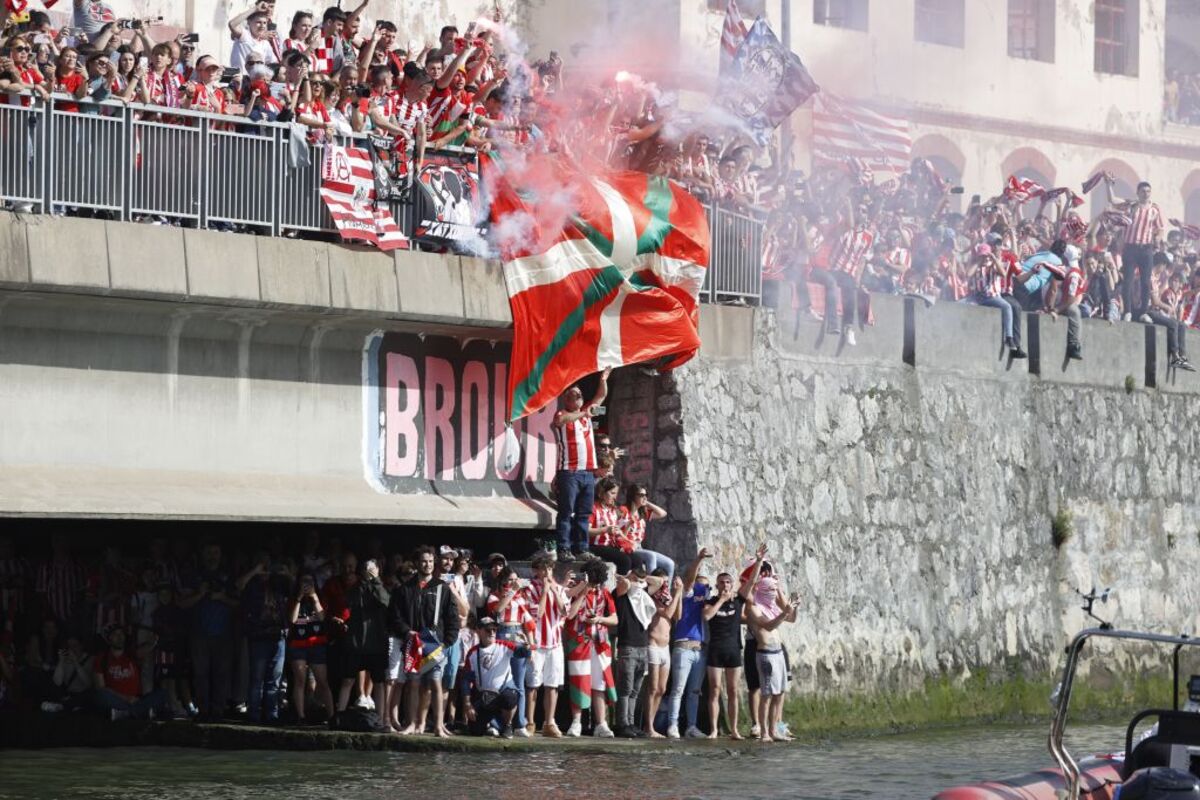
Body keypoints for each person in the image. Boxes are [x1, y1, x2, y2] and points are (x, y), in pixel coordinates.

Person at [389, 545, 460, 737]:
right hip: (413, 643)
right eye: (423, 561)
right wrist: (406, 632)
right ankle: (411, 723)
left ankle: (438, 726)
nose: (427, 565)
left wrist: (447, 642)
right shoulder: (404, 589)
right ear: (416, 563)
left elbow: (453, 618)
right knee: (413, 683)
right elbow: (395, 617)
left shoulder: (442, 588)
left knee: (436, 683)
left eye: (430, 561)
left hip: (436, 644)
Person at [552, 368, 611, 561]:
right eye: (573, 395)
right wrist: (584, 411)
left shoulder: (585, 414)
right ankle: (563, 548)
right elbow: (561, 420)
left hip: (587, 473)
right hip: (569, 471)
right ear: (567, 399)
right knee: (566, 512)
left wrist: (602, 379)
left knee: (584, 513)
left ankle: (582, 548)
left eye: (579, 395)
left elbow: (601, 395)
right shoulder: (562, 413)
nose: (577, 398)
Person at [742, 549, 799, 743]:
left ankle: (775, 729)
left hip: (778, 651)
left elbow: (790, 617)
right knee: (765, 693)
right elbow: (767, 624)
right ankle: (764, 730)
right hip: (764, 652)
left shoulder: (773, 606)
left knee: (779, 692)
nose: (774, 593)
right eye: (771, 590)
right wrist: (758, 563)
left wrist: (793, 607)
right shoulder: (752, 606)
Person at [178, 542, 236, 721]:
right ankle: (202, 711)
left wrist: (222, 597)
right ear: (203, 554)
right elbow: (181, 604)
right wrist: (201, 594)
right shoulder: (194, 575)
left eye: (216, 551)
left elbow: (239, 604)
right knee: (200, 674)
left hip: (223, 634)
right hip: (199, 634)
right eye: (209, 552)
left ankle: (218, 710)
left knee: (222, 673)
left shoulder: (228, 575)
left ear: (220, 554)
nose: (212, 555)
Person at [563, 558, 618, 737]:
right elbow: (570, 615)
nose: (593, 585)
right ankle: (576, 722)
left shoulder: (605, 594)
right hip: (579, 643)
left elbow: (615, 620)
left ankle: (601, 724)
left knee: (599, 683)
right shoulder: (575, 591)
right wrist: (582, 593)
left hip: (600, 644)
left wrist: (599, 619)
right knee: (579, 681)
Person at [612, 565, 665, 738]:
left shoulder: (642, 595)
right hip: (627, 646)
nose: (639, 583)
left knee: (635, 690)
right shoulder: (621, 594)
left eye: (641, 581)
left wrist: (643, 579)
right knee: (625, 688)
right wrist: (630, 576)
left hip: (643, 647)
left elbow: (660, 581)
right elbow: (625, 584)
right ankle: (622, 724)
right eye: (637, 579)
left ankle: (631, 723)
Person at [664, 547, 711, 739]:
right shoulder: (687, 593)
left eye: (706, 586)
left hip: (699, 649)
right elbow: (690, 580)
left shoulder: (706, 599)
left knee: (694, 691)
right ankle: (672, 725)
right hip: (683, 646)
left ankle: (691, 727)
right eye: (701, 584)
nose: (704, 588)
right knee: (678, 690)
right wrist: (699, 559)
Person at [237, 553, 289, 724]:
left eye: (268, 563)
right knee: (257, 679)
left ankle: (271, 715)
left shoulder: (279, 582)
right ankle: (253, 715)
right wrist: (255, 572)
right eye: (262, 563)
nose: (266, 567)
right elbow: (238, 586)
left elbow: (295, 588)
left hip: (278, 635)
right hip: (258, 635)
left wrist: (285, 573)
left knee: (274, 680)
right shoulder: (252, 583)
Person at [337, 557, 390, 716]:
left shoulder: (381, 586)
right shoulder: (356, 588)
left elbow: (385, 602)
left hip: (376, 644)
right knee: (347, 680)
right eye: (367, 569)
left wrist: (376, 581)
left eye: (373, 569)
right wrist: (363, 582)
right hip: (356, 643)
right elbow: (349, 601)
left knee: (379, 682)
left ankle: (380, 719)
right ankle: (339, 716)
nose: (370, 572)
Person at [522, 553, 567, 737]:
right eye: (543, 568)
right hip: (537, 643)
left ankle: (549, 722)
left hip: (555, 643)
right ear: (536, 571)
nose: (547, 572)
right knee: (533, 684)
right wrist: (544, 592)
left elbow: (565, 611)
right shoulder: (530, 588)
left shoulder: (560, 589)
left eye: (549, 568)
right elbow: (537, 614)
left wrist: (555, 591)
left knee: (552, 684)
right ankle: (530, 722)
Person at [486, 566, 533, 737]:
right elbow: (497, 610)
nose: (514, 583)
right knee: (498, 682)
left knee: (519, 683)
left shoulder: (522, 598)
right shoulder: (494, 595)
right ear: (503, 580)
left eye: (516, 579)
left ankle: (520, 724)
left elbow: (528, 623)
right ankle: (495, 723)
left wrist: (531, 644)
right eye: (510, 580)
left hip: (518, 636)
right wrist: (512, 592)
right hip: (501, 637)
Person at [704, 566, 747, 739]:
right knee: (714, 690)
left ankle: (734, 729)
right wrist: (721, 601)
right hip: (715, 649)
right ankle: (714, 729)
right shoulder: (711, 601)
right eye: (722, 582)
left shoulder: (738, 602)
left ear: (732, 585)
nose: (725, 585)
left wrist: (758, 562)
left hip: (733, 650)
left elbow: (750, 584)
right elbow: (706, 616)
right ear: (717, 585)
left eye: (728, 582)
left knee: (733, 690)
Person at [462, 616, 523, 737]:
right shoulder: (472, 653)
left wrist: (525, 646)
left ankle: (508, 725)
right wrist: (468, 704)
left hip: (503, 693)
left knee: (510, 696)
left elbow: (522, 653)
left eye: (494, 630)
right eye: (488, 630)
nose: (492, 633)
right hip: (485, 697)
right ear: (478, 631)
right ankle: (492, 724)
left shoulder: (504, 645)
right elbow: (465, 680)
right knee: (475, 731)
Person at [92, 624, 167, 720]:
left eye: (121, 634)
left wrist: (154, 641)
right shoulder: (102, 658)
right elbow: (100, 687)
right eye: (115, 634)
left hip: (136, 700)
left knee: (162, 694)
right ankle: (139, 712)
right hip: (116, 700)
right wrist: (126, 698)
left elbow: (145, 649)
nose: (119, 637)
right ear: (109, 638)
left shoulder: (131, 654)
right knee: (101, 695)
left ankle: (126, 713)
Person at [286, 573, 334, 723]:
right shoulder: (293, 598)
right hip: (298, 644)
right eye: (303, 581)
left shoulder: (319, 597)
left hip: (317, 642)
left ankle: (332, 715)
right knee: (300, 680)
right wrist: (299, 598)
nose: (306, 584)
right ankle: (301, 716)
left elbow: (322, 617)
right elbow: (292, 619)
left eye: (310, 581)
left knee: (323, 681)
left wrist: (314, 597)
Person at [1114, 180, 1164, 321]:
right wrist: (1108, 185)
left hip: (1146, 249)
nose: (1146, 194)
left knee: (1146, 281)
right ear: (1138, 193)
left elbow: (1160, 228)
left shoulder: (1155, 209)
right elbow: (1112, 200)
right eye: (1143, 191)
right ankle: (1128, 311)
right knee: (1128, 280)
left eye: (1148, 191)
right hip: (1130, 247)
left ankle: (1143, 312)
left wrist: (1158, 238)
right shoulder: (1131, 206)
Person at [644, 569, 679, 738]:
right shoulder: (651, 598)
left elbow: (677, 615)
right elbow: (667, 613)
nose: (665, 587)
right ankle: (648, 727)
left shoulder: (668, 598)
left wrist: (678, 595)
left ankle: (651, 724)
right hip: (653, 644)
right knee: (652, 688)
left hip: (665, 647)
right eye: (662, 583)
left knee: (662, 688)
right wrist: (678, 593)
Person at [618, 484, 675, 580]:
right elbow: (618, 532)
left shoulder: (642, 512)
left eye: (646, 495)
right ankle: (652, 587)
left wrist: (647, 503)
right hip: (629, 546)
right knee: (651, 556)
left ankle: (665, 592)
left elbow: (662, 514)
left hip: (639, 547)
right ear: (633, 496)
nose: (644, 497)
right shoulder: (623, 510)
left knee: (670, 563)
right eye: (641, 495)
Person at [588, 477, 644, 574]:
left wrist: (624, 536)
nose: (615, 497)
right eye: (612, 493)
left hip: (612, 545)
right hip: (596, 545)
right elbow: (587, 531)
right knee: (625, 561)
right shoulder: (593, 508)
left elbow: (617, 533)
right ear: (602, 493)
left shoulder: (612, 510)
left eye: (616, 494)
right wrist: (605, 529)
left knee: (637, 560)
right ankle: (620, 587)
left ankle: (634, 586)